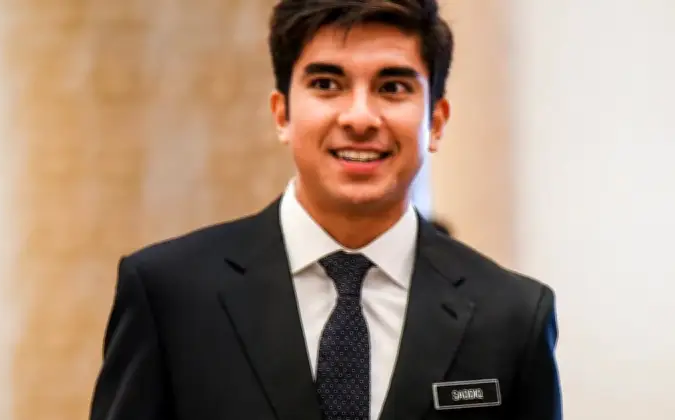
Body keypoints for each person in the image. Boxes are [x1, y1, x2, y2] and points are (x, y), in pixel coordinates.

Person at [89, 0, 562, 419]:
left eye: (392, 87)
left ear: (435, 123)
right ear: (282, 114)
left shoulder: (512, 316)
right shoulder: (170, 295)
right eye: (327, 83)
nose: (359, 118)